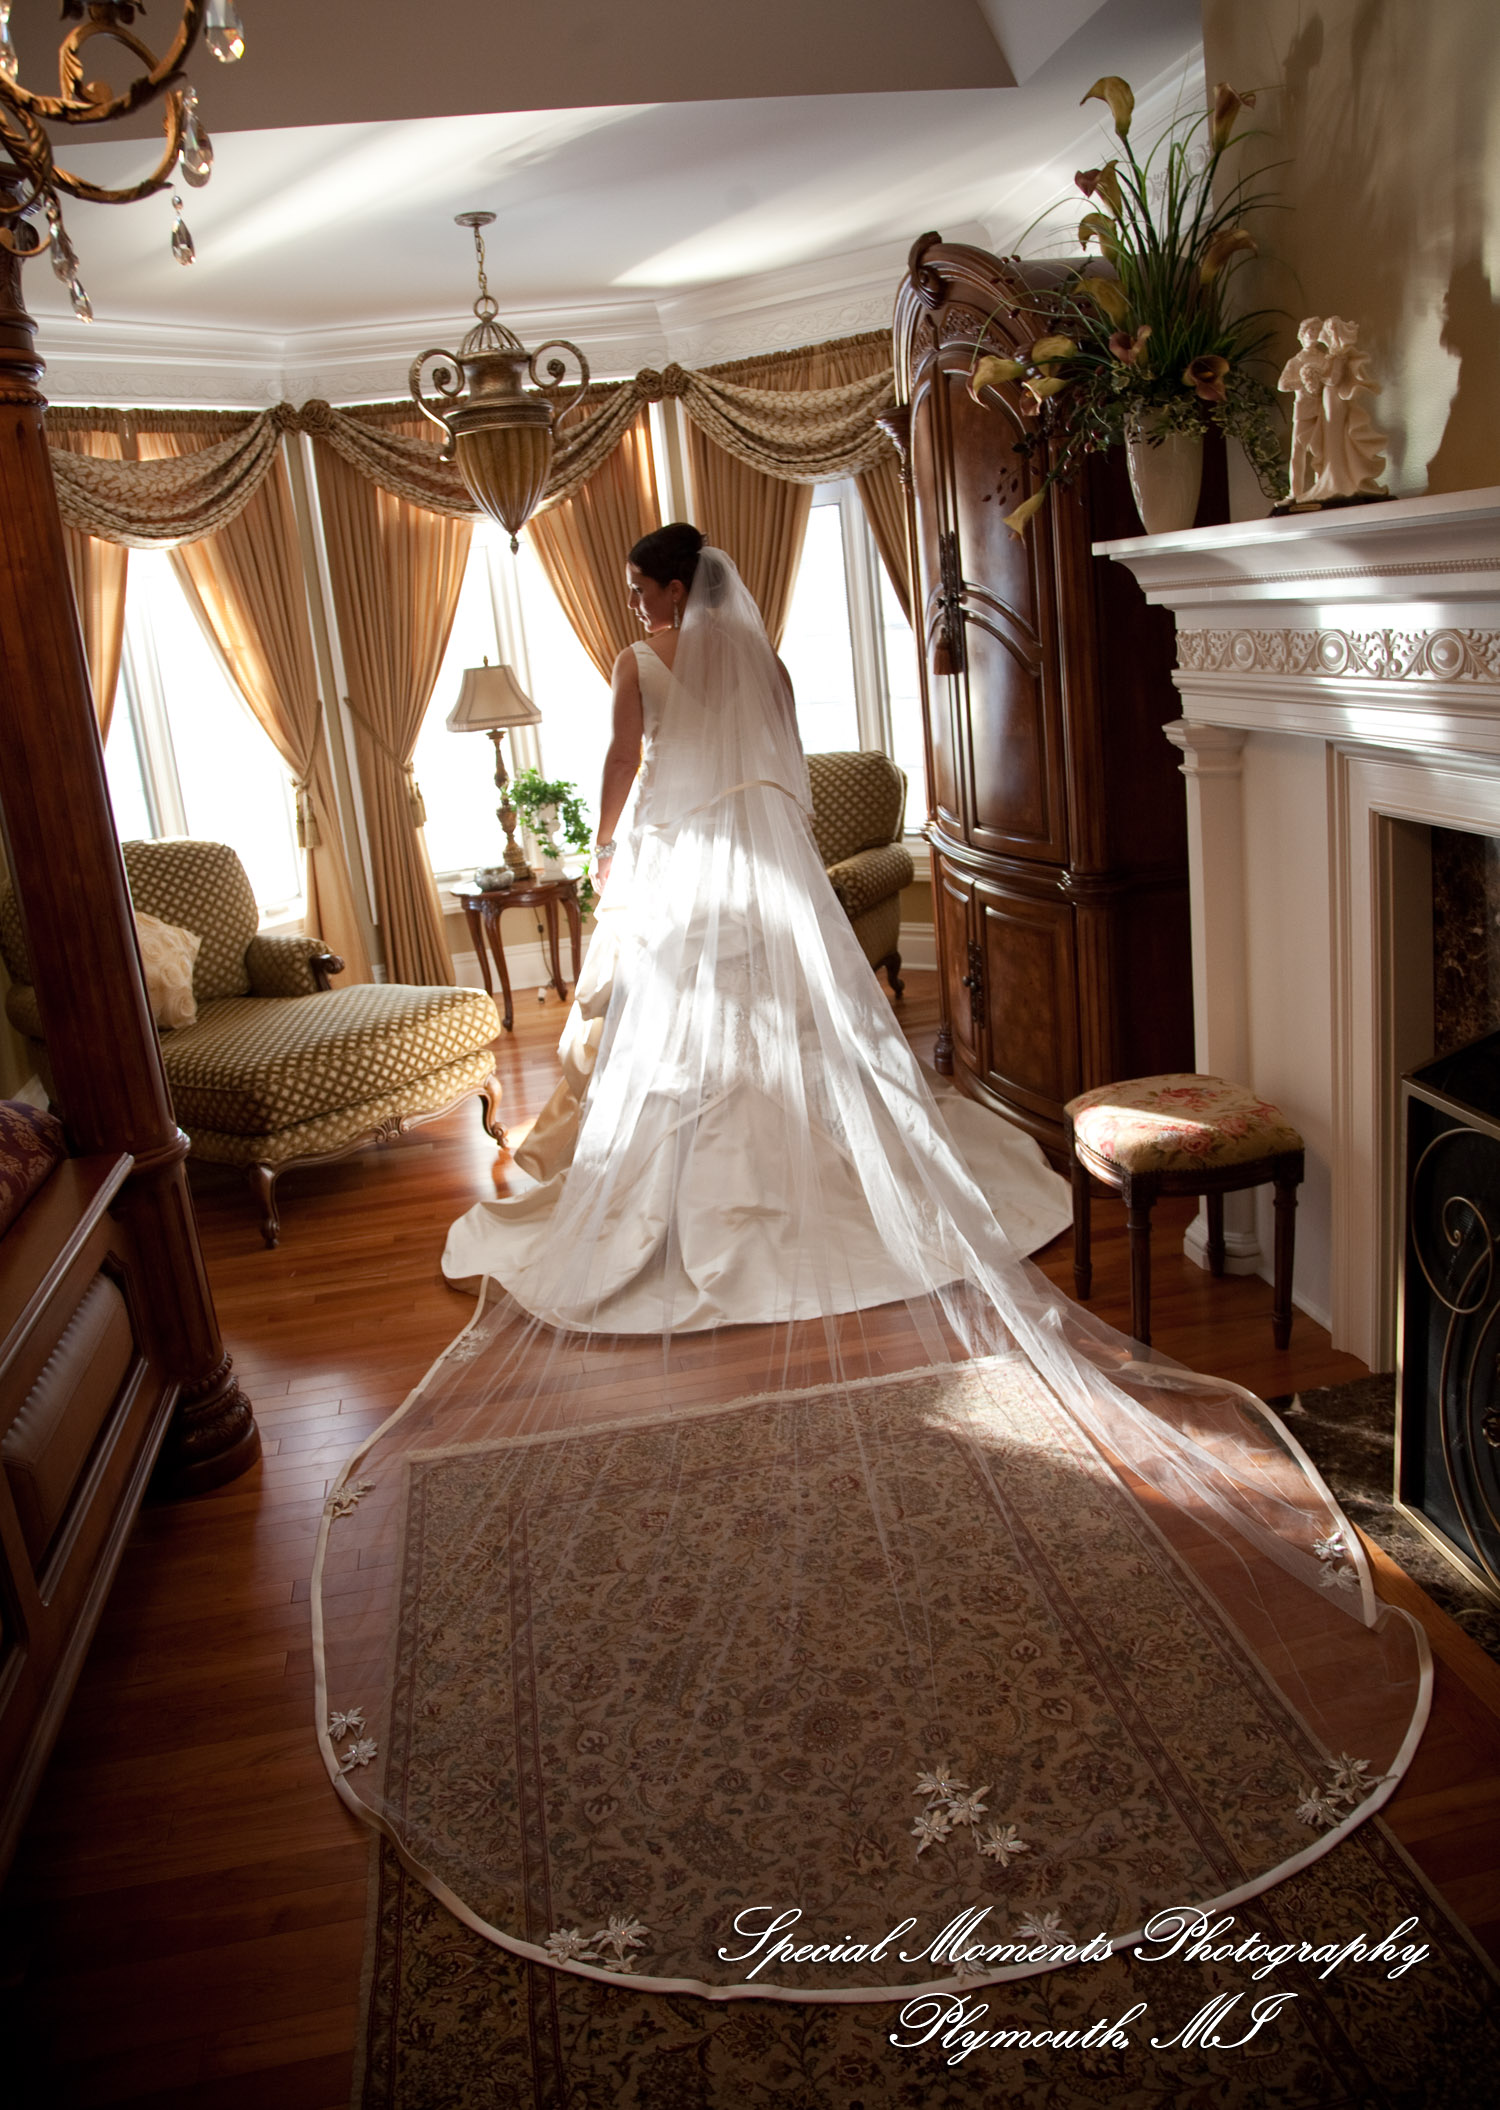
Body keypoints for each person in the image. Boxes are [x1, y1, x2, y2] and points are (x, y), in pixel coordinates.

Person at [316, 529, 1427, 2004]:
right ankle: (813, 1188)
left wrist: (610, 867)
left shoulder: (642, 663)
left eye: (639, 588)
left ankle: (698, 1215)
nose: (640, 606)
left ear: (655, 593)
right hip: (771, 898)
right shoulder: (758, 656)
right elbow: (775, 759)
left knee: (682, 1076)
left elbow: (624, 783)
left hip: (689, 888)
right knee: (799, 1062)